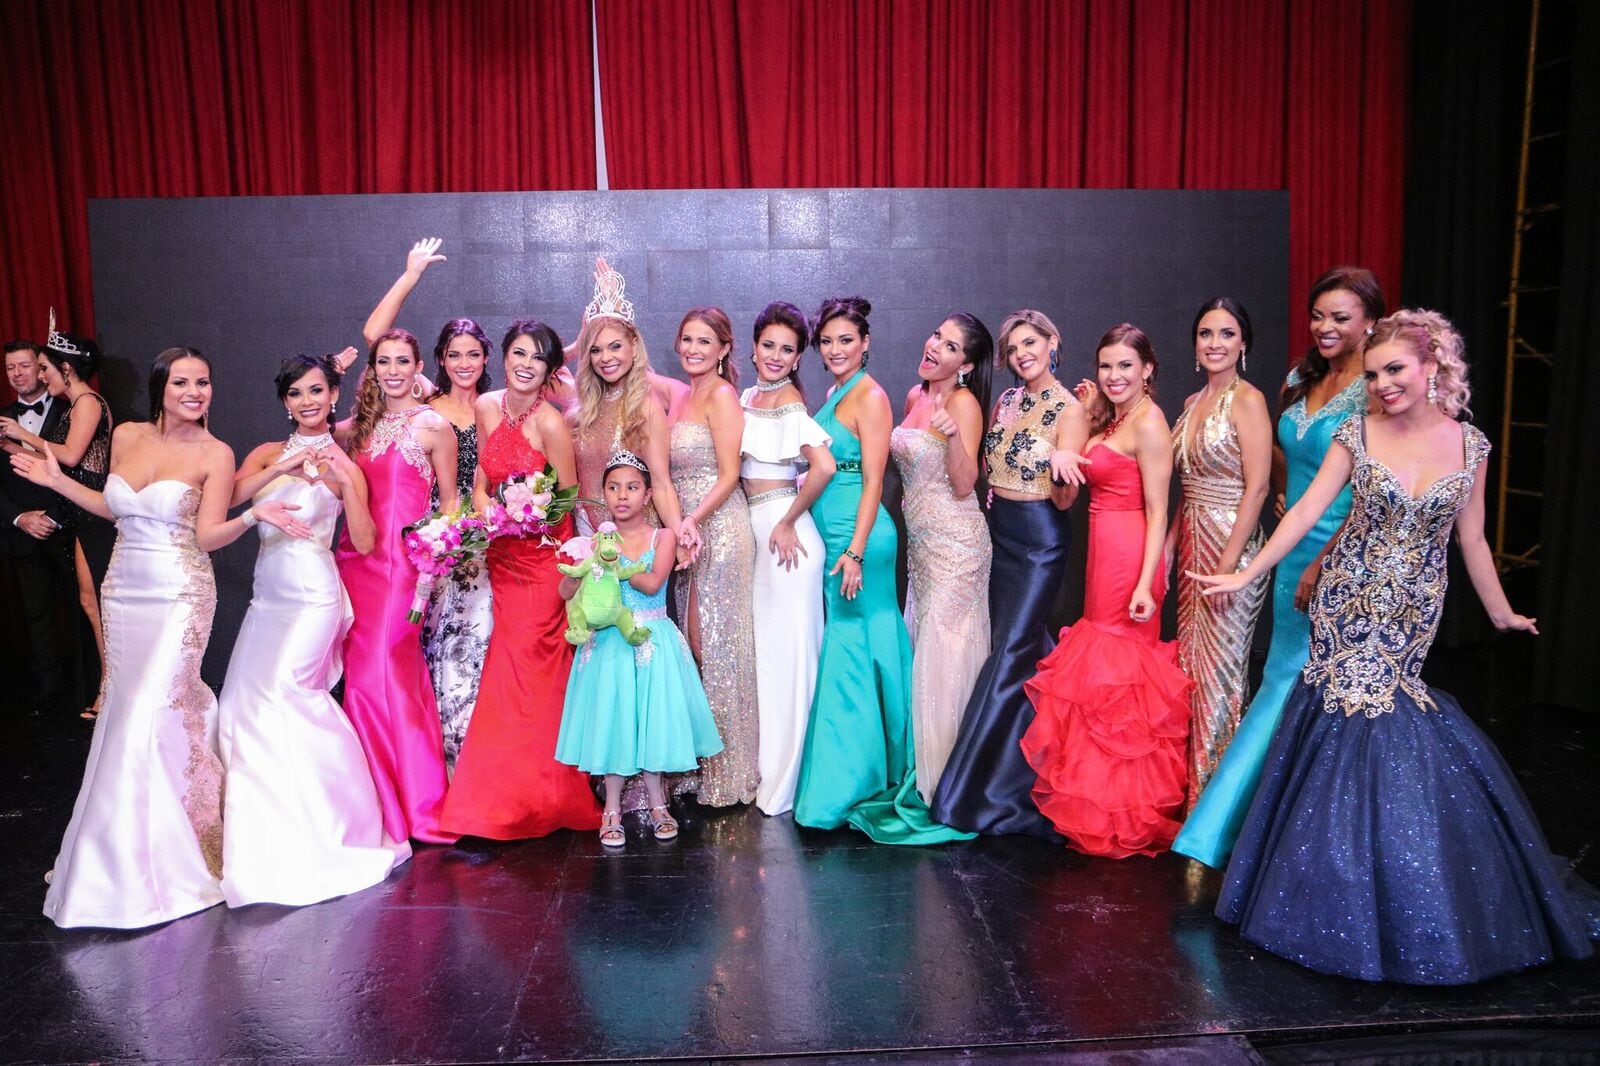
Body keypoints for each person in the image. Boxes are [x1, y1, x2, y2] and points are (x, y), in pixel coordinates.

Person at [1193, 309, 1598, 984]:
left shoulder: (1470, 445)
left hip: (1414, 604)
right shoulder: (1356, 432)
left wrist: (1501, 612)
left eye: (1396, 370)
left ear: (1432, 366)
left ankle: (1391, 884)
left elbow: (1472, 539)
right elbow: (1304, 510)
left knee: (1391, 715)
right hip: (1347, 596)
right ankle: (1328, 891)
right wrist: (1246, 571)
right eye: (1375, 374)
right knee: (1345, 721)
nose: (1383, 385)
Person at [12, 347, 307, 928]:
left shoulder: (215, 452)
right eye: (182, 382)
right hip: (124, 591)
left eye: (204, 382)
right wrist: (56, 480)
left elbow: (209, 535)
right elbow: (113, 508)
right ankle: (112, 855)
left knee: (153, 710)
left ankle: (174, 860)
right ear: (160, 388)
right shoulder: (126, 436)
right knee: (124, 714)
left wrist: (255, 516)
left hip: (179, 594)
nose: (195, 392)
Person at [1173, 267, 1383, 868]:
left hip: (1340, 548)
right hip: (1290, 543)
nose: (1324, 327)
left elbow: (1375, 485)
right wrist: (1289, 498)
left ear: (1371, 323)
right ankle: (1255, 817)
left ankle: (1221, 823)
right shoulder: (1300, 378)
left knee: (1296, 679)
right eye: (1318, 316)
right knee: (1281, 676)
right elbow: (1279, 458)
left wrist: (1324, 555)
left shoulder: (1375, 390)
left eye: (1340, 317)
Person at [218, 353, 410, 907]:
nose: (308, 401)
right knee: (238, 705)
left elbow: (367, 541)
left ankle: (335, 822)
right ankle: (267, 826)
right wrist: (284, 467)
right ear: (285, 402)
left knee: (288, 695)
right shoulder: (265, 453)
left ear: (332, 397)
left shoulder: (346, 461)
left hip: (313, 595)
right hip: (267, 598)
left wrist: (342, 480)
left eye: (317, 391)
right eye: (297, 393)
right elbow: (227, 499)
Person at [793, 297, 969, 845]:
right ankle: (874, 769)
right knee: (862, 647)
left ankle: (848, 784)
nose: (835, 349)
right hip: (838, 533)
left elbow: (873, 481)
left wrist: (855, 552)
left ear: (865, 343)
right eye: (827, 341)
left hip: (861, 539)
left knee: (853, 649)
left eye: (846, 340)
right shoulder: (835, 394)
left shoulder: (870, 396)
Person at [1021, 324, 1193, 858]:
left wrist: (1147, 582)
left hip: (1132, 558)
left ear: (1148, 370)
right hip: (1104, 552)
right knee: (1102, 678)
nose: (1114, 375)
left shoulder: (1151, 423)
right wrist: (1091, 416)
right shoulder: (1115, 416)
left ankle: (1128, 813)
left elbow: (1160, 511)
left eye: (1125, 366)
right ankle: (1097, 803)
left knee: (1125, 682)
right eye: (1106, 365)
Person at [440, 320, 601, 840]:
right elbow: (483, 480)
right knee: (506, 671)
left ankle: (544, 795)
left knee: (535, 669)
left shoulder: (551, 423)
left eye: (537, 358)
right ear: (504, 357)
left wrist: (528, 516)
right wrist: (489, 509)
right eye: (519, 353)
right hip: (503, 555)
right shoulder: (487, 407)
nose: (526, 365)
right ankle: (497, 795)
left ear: (550, 369)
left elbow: (567, 498)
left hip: (541, 559)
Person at [931, 309, 1086, 839]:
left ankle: (971, 794)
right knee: (1014, 652)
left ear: (1052, 342)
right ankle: (1029, 775)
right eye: (1013, 349)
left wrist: (1064, 468)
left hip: (1041, 540)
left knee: (1011, 653)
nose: (1022, 355)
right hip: (999, 534)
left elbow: (1065, 501)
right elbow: (985, 470)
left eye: (1030, 344)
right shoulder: (1007, 401)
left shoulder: (1070, 409)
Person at [357, 238, 495, 770]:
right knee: (436, 648)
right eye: (453, 355)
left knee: (482, 646)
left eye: (473, 354)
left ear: (486, 358)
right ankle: (438, 760)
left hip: (485, 544)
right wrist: (410, 274)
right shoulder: (424, 406)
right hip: (431, 547)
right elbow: (376, 337)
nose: (463, 363)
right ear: (436, 362)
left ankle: (480, 760)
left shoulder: (498, 405)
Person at [555, 452, 722, 847]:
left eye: (632, 488)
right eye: (613, 488)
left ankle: (658, 804)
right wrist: (581, 570)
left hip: (650, 637)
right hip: (608, 642)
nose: (622, 495)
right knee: (614, 721)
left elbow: (651, 583)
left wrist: (610, 566)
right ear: (604, 494)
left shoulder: (662, 537)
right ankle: (611, 808)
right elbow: (565, 591)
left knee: (653, 721)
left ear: (647, 495)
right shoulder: (595, 543)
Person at [334, 328, 460, 845]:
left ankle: (419, 804)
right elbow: (308, 423)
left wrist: (438, 553)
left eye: (402, 361)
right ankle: (375, 801)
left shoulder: (434, 427)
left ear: (418, 367)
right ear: (373, 369)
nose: (392, 371)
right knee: (361, 680)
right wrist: (330, 373)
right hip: (355, 563)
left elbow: (450, 502)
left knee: (390, 671)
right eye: (383, 362)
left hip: (406, 569)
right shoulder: (357, 428)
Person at [1166, 298, 1271, 807]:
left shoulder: (1247, 400)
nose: (1214, 343)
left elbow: (1258, 487)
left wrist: (1228, 568)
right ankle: (1193, 793)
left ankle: (1216, 806)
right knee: (1191, 671)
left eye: (1226, 334)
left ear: (1242, 342)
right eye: (1206, 333)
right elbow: (1186, 488)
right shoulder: (1191, 403)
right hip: (1192, 547)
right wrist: (1170, 548)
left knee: (1222, 676)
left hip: (1233, 552)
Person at [890, 314, 993, 804]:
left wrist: (952, 436)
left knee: (945, 655)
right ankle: (924, 770)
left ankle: (949, 785)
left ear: (965, 365)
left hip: (958, 547)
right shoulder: (915, 396)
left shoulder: (963, 403)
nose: (934, 347)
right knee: (924, 650)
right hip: (922, 550)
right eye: (937, 336)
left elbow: (965, 482)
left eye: (950, 346)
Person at [739, 302, 834, 816]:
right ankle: (771, 772)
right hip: (761, 535)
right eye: (769, 345)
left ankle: (793, 781)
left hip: (786, 542)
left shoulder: (789, 400)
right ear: (753, 348)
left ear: (798, 359)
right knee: (772, 663)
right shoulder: (748, 397)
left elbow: (824, 466)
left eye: (788, 350)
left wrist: (788, 519)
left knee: (793, 662)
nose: (776, 356)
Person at [669, 306, 759, 807]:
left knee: (717, 648)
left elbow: (729, 475)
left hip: (720, 531)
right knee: (695, 646)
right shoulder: (681, 396)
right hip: (689, 536)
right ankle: (702, 763)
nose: (693, 349)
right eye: (687, 339)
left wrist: (693, 520)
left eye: (705, 341)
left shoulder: (722, 396)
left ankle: (729, 769)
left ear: (724, 348)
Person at [0, 328, 114, 703]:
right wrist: (10, 445)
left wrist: (22, 435)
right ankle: (104, 690)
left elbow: (69, 457)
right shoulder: (80, 402)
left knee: (97, 606)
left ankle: (107, 690)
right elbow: (55, 464)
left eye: (43, 368)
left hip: (92, 513)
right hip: (77, 512)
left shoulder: (87, 403)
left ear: (65, 368)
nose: (40, 375)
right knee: (89, 604)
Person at [0, 341, 74, 717]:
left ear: (41, 369)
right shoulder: (1, 419)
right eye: (10, 368)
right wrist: (20, 518)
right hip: (21, 535)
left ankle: (90, 689)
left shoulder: (71, 411)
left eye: (25, 366)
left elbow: (83, 470)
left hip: (68, 528)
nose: (17, 374)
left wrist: (54, 516)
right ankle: (50, 695)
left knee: (82, 609)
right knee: (37, 616)